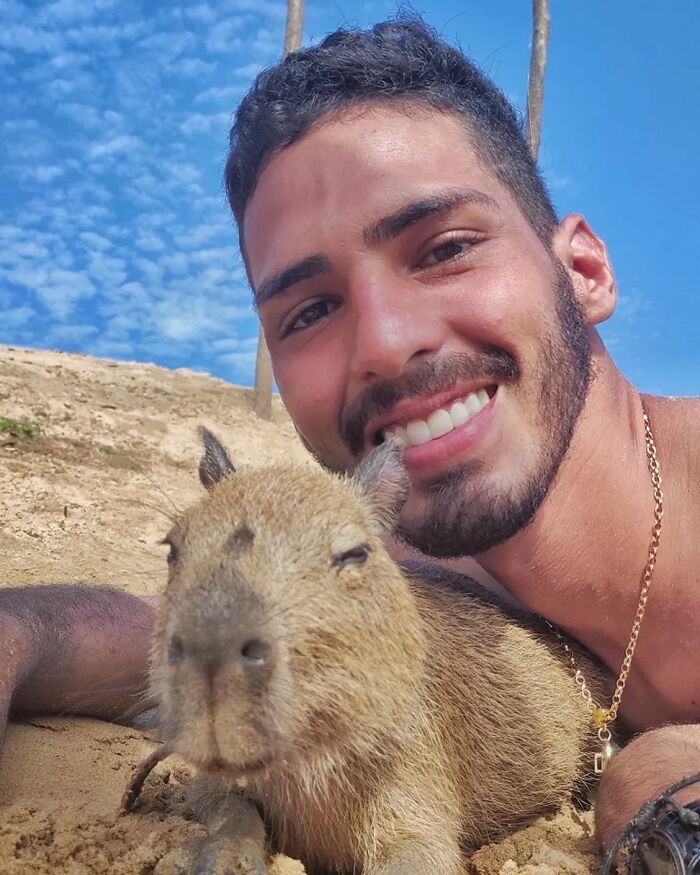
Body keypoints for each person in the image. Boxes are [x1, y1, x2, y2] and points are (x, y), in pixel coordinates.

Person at [0, 18, 697, 854]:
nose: (384, 342)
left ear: (583, 273)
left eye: (445, 247)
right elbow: (138, 632)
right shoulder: (414, 564)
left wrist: (655, 770)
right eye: (310, 310)